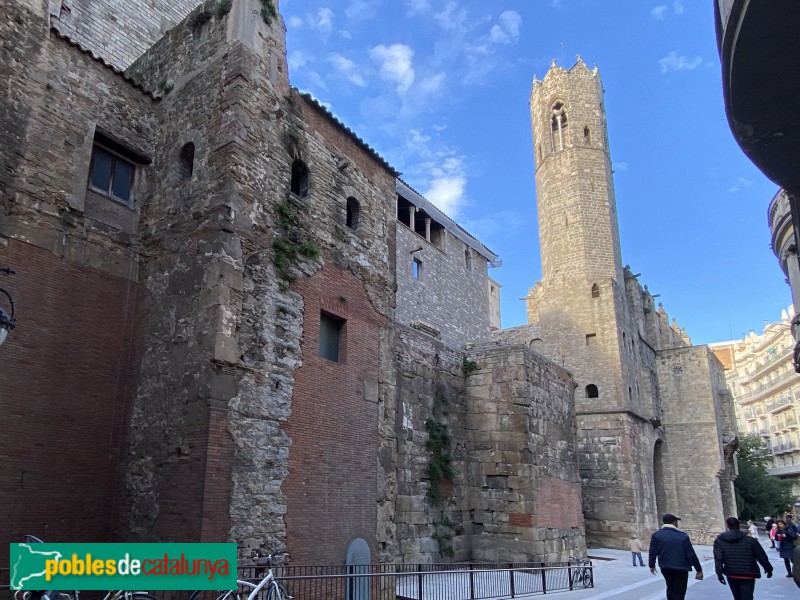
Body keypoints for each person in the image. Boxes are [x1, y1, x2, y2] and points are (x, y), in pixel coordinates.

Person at [713, 516, 773, 600]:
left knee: (737, 597)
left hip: (731, 572)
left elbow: (718, 558)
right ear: (739, 525)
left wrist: (719, 573)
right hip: (748, 572)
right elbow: (761, 556)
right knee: (747, 597)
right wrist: (768, 569)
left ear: (727, 526)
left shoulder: (720, 541)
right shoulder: (751, 541)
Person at [649, 514, 704, 600]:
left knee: (670, 587)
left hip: (665, 566)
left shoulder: (656, 535)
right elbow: (691, 554)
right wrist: (698, 569)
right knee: (680, 591)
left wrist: (651, 565)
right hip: (681, 567)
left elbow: (653, 551)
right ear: (674, 522)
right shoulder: (683, 536)